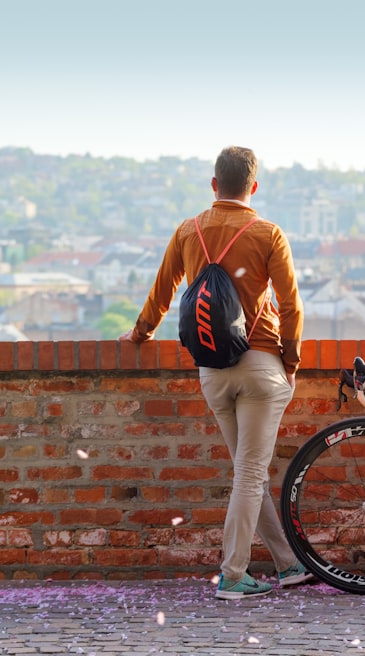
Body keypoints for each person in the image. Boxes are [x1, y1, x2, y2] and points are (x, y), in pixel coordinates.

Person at [120, 146, 313, 599]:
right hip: (260, 364)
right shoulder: (267, 232)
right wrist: (291, 362)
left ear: (213, 185)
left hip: (212, 371)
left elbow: (162, 292)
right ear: (254, 187)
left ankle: (288, 565)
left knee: (251, 472)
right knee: (250, 473)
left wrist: (139, 333)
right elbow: (290, 305)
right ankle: (232, 575)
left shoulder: (188, 231)